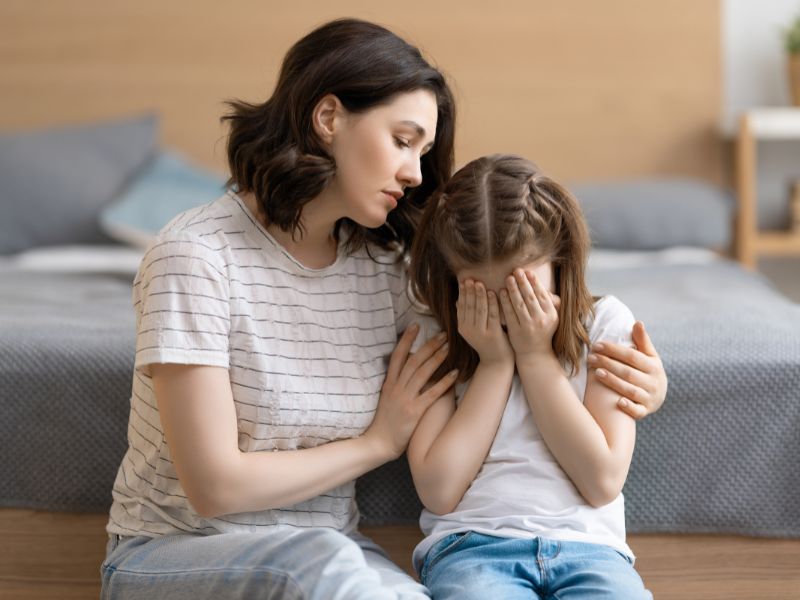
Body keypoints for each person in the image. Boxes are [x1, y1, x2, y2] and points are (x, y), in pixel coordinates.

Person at [100, 18, 666, 600]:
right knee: (318, 561)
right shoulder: (195, 256)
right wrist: (376, 443)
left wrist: (644, 383)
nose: (416, 173)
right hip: (179, 553)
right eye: (402, 140)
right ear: (328, 119)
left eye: (424, 151)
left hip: (332, 554)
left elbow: (497, 268)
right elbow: (214, 487)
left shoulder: (384, 270)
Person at [407, 154, 654, 599]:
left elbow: (601, 482)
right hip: (471, 549)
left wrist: (536, 357)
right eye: (482, 293)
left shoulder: (605, 326)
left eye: (522, 288)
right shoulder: (436, 335)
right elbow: (439, 491)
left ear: (559, 259)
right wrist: (496, 365)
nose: (507, 310)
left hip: (591, 550)